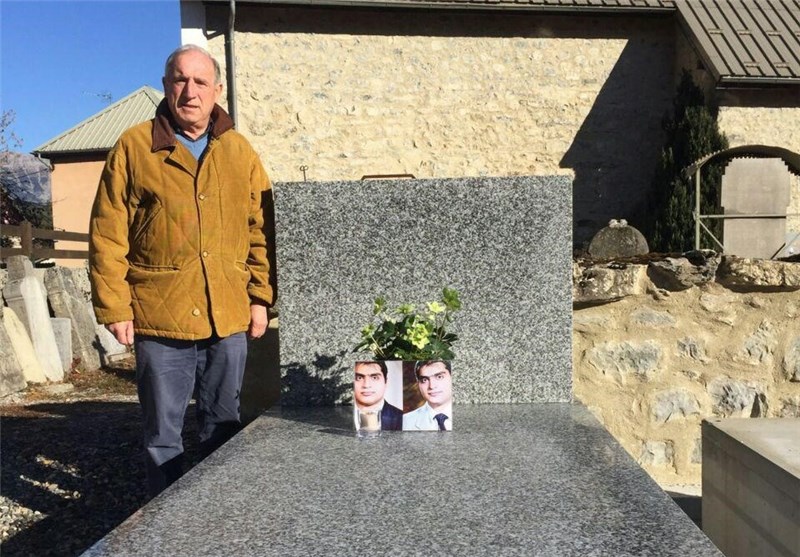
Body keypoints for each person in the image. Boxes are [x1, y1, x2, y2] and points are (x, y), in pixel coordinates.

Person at [89, 44, 274, 498]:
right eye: (179, 79)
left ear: (217, 90)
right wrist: (115, 306)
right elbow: (107, 233)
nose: (190, 91)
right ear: (166, 85)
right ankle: (163, 522)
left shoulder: (239, 151)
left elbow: (259, 230)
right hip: (160, 314)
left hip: (227, 312)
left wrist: (260, 297)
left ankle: (220, 514)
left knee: (224, 425)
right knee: (162, 435)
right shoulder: (134, 147)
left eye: (200, 81)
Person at [403, 360, 453, 431]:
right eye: (424, 380)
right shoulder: (405, 422)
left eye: (439, 377)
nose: (431, 386)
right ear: (418, 384)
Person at [353, 361, 403, 430]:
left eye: (374, 378)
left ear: (386, 382)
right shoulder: (338, 417)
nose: (366, 385)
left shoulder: (403, 418)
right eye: (359, 378)